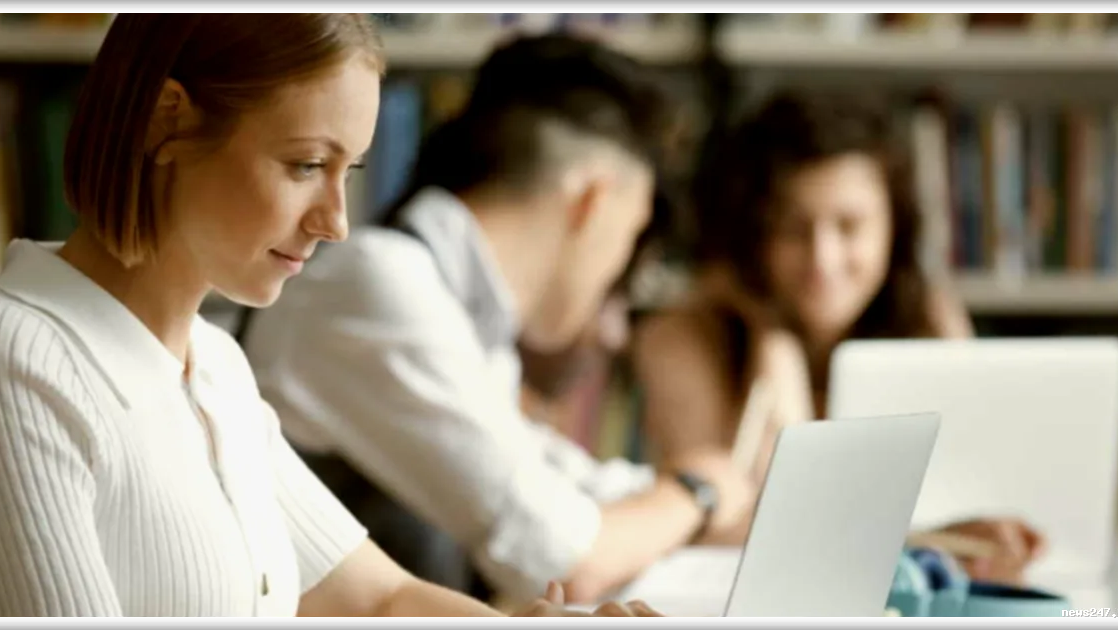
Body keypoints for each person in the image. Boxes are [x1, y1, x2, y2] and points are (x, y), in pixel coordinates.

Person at [0, 13, 662, 618]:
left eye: (349, 173)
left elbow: (377, 598)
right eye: (305, 165)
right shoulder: (11, 355)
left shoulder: (214, 369)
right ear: (166, 119)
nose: (336, 223)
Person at [242, 33, 754, 607]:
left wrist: (709, 494)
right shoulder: (370, 284)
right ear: (592, 200)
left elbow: (559, 484)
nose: (617, 275)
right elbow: (565, 556)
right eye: (632, 234)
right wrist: (696, 493)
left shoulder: (462, 308)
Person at [631, 90, 1045, 585]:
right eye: (792, 228)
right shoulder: (680, 338)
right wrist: (773, 340)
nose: (822, 260)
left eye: (850, 226)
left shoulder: (930, 320)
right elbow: (747, 529)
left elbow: (958, 488)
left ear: (895, 226)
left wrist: (951, 536)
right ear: (753, 232)